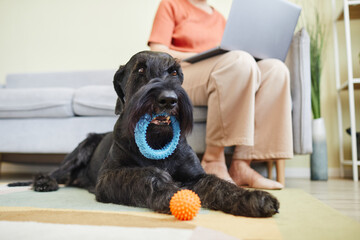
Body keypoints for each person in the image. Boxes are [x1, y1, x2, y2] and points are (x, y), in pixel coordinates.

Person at [148, 0, 293, 190]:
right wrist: (202, 53)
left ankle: (242, 164)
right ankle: (213, 160)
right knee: (239, 61)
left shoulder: (220, 19)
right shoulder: (171, 4)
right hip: (183, 74)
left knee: (276, 70)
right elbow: (157, 51)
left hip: (224, 70)